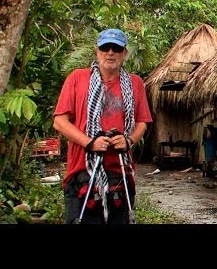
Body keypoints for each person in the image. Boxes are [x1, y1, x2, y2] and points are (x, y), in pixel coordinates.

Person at [53, 28, 152, 224]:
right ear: (97, 51)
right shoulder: (77, 78)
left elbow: (142, 122)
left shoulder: (135, 83)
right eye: (105, 47)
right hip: (82, 172)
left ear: (124, 53)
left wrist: (128, 140)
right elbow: (60, 121)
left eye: (116, 48)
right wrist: (90, 143)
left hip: (120, 174)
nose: (110, 52)